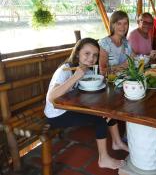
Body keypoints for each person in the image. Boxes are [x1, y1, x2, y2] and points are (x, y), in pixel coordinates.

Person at [44, 38, 128, 170]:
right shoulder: (65, 70)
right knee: (100, 120)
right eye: (87, 53)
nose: (91, 58)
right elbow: (51, 97)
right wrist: (75, 77)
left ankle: (117, 142)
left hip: (70, 107)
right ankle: (103, 159)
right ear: (77, 53)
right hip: (56, 114)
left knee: (107, 111)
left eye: (95, 55)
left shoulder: (85, 69)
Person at [99, 11, 133, 75]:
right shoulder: (105, 43)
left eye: (125, 23)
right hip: (110, 83)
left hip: (126, 80)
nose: (123, 27)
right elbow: (102, 71)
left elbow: (133, 60)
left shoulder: (128, 43)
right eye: (119, 23)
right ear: (112, 25)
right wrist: (123, 65)